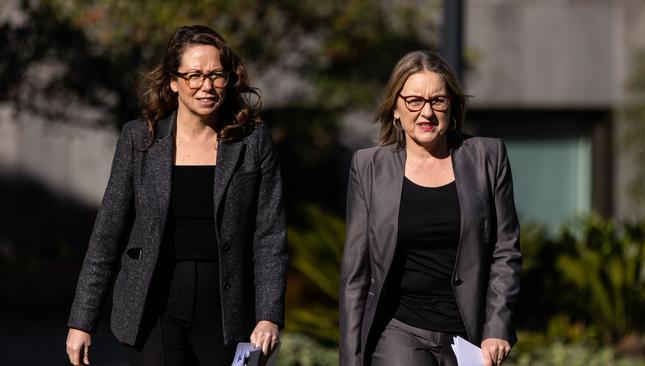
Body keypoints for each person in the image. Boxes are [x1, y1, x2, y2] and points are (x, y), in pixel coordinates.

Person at [65, 25, 287, 366]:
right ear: (173, 81)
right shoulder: (140, 139)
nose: (206, 86)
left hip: (226, 306)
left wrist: (268, 315)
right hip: (153, 302)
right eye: (194, 75)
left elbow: (270, 236)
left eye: (217, 75)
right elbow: (108, 233)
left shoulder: (252, 141)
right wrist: (81, 320)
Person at [339, 51, 522, 366]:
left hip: (468, 334)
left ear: (451, 105)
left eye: (437, 101)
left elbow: (505, 252)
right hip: (399, 330)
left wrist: (497, 327)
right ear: (396, 108)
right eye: (414, 101)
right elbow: (357, 273)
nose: (426, 112)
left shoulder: (487, 158)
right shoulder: (368, 167)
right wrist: (351, 359)